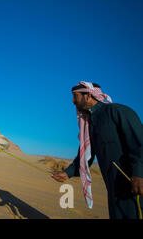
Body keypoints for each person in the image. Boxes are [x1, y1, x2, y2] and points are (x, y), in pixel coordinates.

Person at [51, 81, 143, 219]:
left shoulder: (118, 111)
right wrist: (67, 173)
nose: (73, 101)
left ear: (88, 96)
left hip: (134, 183)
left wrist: (139, 174)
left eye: (75, 96)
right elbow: (85, 157)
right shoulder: (90, 124)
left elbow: (139, 143)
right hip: (114, 187)